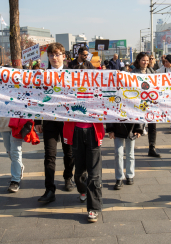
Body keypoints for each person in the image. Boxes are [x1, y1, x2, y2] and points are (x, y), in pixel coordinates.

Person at [63, 56, 104, 223]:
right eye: (80, 75)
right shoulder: (68, 91)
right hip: (76, 133)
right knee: (79, 173)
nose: (83, 78)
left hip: (93, 134)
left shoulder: (99, 91)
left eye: (86, 75)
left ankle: (94, 207)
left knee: (94, 174)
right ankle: (82, 189)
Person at [35, 43, 75, 203]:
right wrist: (37, 120)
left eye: (57, 54)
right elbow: (37, 98)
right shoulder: (42, 76)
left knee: (69, 152)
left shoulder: (71, 75)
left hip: (67, 121)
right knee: (49, 155)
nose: (54, 57)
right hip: (50, 120)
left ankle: (68, 177)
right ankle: (49, 189)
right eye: (51, 55)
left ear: (64, 56)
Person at [131, 53, 161, 157]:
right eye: (143, 60)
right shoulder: (133, 73)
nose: (146, 62)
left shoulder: (151, 72)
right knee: (136, 125)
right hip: (138, 103)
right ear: (138, 60)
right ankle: (130, 147)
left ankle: (152, 147)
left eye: (147, 60)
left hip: (150, 102)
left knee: (152, 125)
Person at [107, 121, 143, 190]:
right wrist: (110, 129)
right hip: (117, 126)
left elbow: (140, 112)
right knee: (118, 153)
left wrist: (139, 128)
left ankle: (130, 175)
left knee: (130, 153)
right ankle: (119, 178)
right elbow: (110, 113)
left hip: (131, 127)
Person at [0, 113, 24, 193]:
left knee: (15, 152)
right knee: (9, 151)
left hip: (17, 123)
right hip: (3, 124)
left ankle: (15, 180)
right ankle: (19, 167)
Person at [156, 55, 171, 133]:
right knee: (169, 109)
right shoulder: (163, 69)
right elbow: (155, 73)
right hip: (166, 93)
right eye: (164, 61)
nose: (165, 63)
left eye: (167, 61)